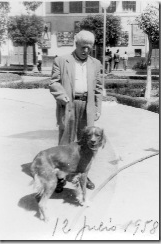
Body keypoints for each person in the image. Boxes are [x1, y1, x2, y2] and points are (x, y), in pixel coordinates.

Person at [49, 30, 103, 191]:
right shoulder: (61, 60)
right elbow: (54, 82)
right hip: (69, 105)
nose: (86, 50)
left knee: (87, 143)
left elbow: (99, 88)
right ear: (76, 44)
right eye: (83, 46)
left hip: (87, 106)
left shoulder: (96, 63)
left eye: (89, 47)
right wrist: (62, 96)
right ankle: (60, 177)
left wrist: (97, 108)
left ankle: (83, 175)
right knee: (66, 142)